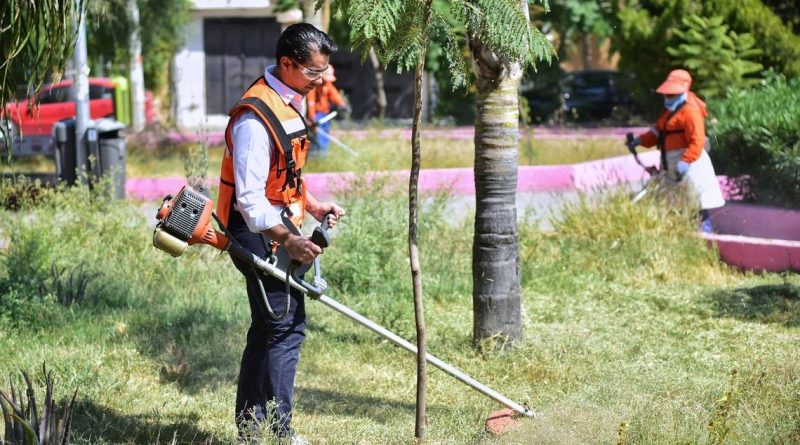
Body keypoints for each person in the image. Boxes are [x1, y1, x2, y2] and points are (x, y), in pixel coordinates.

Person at [215, 23, 345, 444]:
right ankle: (278, 431)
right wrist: (289, 239)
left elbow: (283, 175)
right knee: (285, 327)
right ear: (287, 64)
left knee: (269, 327)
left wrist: (312, 205)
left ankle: (251, 430)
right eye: (313, 73)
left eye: (324, 71)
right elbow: (251, 201)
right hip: (255, 232)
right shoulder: (254, 118)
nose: (320, 81)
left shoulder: (287, 100)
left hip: (277, 226)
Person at [626, 69, 725, 232]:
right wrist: (639, 141)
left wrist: (685, 161)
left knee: (696, 206)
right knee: (677, 205)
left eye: (672, 94)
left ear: (684, 91)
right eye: (667, 94)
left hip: (691, 166)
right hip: (672, 166)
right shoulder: (669, 112)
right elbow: (657, 132)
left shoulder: (691, 112)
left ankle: (704, 239)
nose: (668, 98)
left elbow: (697, 141)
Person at [305, 64, 348, 157]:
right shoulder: (313, 86)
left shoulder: (327, 84)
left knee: (324, 138)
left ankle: (323, 157)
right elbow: (310, 102)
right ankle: (316, 159)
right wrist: (312, 118)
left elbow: (334, 93)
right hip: (315, 117)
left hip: (324, 115)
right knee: (317, 139)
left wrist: (342, 104)